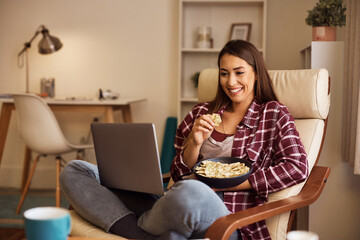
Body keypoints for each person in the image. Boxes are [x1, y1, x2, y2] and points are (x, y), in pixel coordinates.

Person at [60, 39, 308, 240]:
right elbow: (177, 173)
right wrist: (195, 142)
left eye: (239, 72)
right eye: (224, 74)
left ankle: (141, 224)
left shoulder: (273, 113)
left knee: (192, 191)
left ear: (255, 73)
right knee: (75, 170)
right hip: (172, 200)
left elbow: (297, 167)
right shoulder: (201, 112)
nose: (231, 82)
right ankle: (143, 234)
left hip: (226, 216)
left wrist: (227, 184)